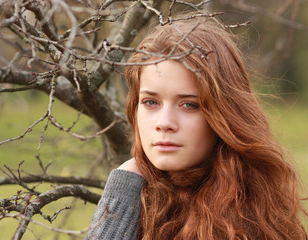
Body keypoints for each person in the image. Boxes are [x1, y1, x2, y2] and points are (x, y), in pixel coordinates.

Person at [85, 12, 308, 240]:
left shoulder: (243, 221)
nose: (164, 123)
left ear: (224, 113)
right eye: (151, 102)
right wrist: (124, 187)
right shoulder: (135, 189)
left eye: (189, 105)